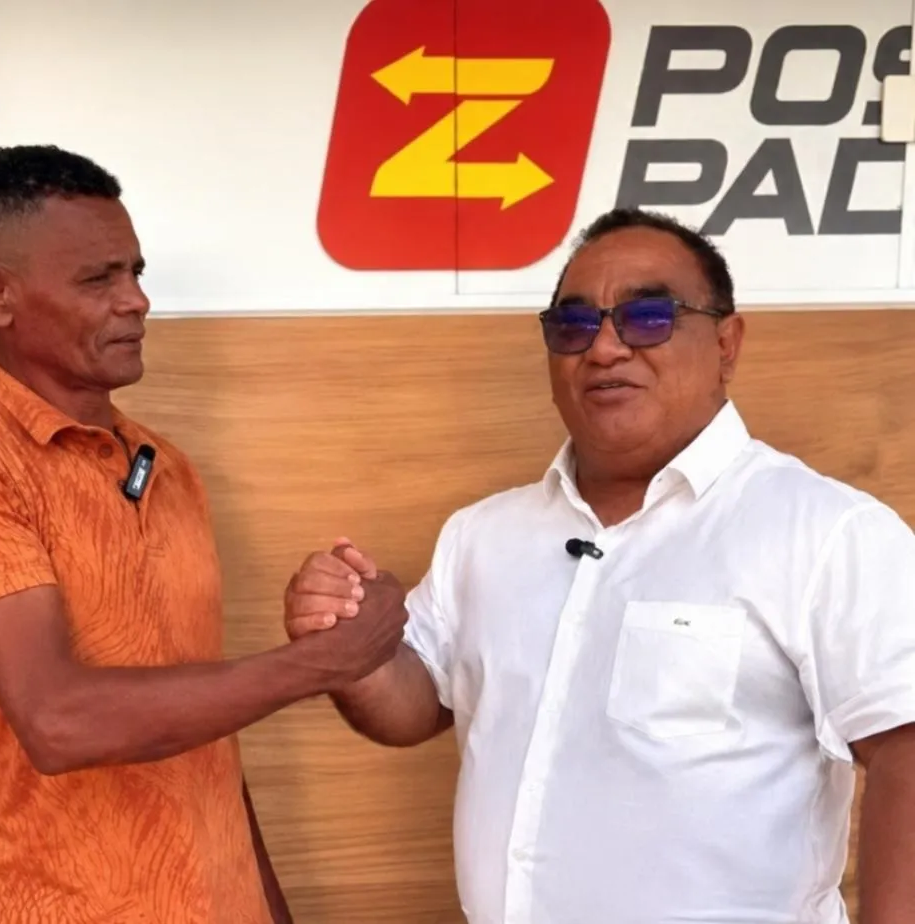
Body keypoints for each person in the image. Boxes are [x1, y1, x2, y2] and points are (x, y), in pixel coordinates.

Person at [284, 207, 915, 923]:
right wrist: (352, 639)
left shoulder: (826, 531)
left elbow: (906, 752)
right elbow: (417, 702)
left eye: (648, 317)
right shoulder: (483, 535)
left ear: (727, 343)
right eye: (575, 324)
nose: (605, 347)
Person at [0, 144, 406, 924]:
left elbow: (205, 725)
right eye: (98, 279)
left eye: (135, 272)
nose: (137, 301)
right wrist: (323, 662)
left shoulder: (165, 466)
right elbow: (57, 721)